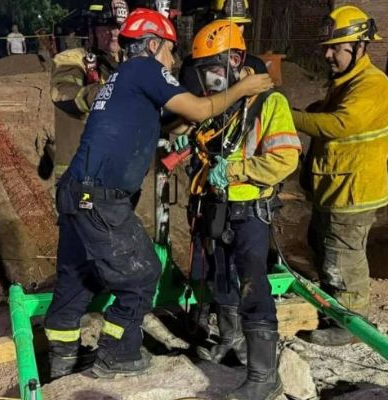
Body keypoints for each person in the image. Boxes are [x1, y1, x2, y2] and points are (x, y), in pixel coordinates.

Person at [43, 8, 274, 381]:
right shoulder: (146, 69)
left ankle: (61, 364)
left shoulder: (122, 80)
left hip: (76, 193)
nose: (172, 59)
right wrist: (241, 90)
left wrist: (181, 123)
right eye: (169, 50)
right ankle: (117, 353)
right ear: (152, 45)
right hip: (101, 198)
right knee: (143, 273)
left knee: (76, 279)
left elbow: (159, 121)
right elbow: (199, 108)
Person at [173, 20, 300, 399]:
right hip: (217, 209)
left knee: (251, 283)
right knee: (221, 277)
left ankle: (264, 377)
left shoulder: (268, 103)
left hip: (249, 210)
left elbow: (285, 159)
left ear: (235, 59)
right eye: (204, 71)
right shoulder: (223, 106)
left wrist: (238, 169)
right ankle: (231, 339)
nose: (209, 79)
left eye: (213, 69)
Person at [292, 5, 388, 346]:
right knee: (323, 250)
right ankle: (332, 310)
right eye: (327, 47)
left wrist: (287, 115)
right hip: (333, 187)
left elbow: (339, 125)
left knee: (343, 257)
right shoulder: (346, 82)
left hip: (354, 191)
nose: (328, 54)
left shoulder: (373, 84)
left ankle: (350, 326)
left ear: (360, 47)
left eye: (336, 47)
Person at [42, 0, 129, 182]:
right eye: (107, 27)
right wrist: (105, 92)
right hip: (79, 173)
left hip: (118, 173)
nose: (114, 34)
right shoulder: (72, 59)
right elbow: (61, 93)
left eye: (119, 27)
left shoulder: (129, 62)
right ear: (91, 31)